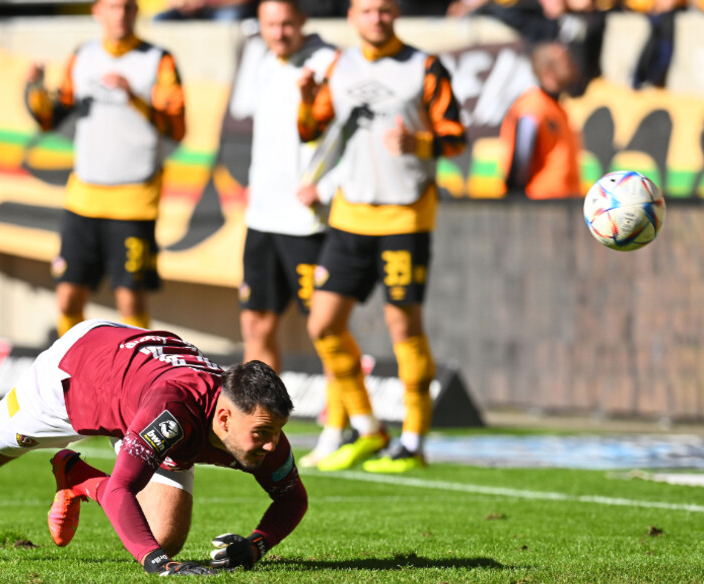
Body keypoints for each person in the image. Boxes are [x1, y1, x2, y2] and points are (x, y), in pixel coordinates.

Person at [0, 320, 306, 575]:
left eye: (273, 433)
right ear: (224, 417)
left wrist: (256, 546)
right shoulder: (173, 413)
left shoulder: (253, 426)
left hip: (141, 391)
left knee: (164, 535)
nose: (269, 445)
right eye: (261, 434)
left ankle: (74, 477)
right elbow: (121, 489)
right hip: (79, 371)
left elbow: (292, 497)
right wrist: (156, 566)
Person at [296, 0, 467, 473]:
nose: (377, 18)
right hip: (350, 214)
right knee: (323, 325)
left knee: (403, 328)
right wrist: (308, 99)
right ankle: (370, 429)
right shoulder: (338, 65)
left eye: (386, 10)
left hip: (405, 217)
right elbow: (312, 130)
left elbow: (456, 136)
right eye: (368, 10)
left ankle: (414, 441)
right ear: (352, 17)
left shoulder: (424, 67)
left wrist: (420, 143)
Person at [25, 0, 186, 338]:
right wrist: (34, 91)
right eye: (112, 7)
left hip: (134, 200)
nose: (120, 15)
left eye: (127, 7)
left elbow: (177, 128)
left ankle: (138, 380)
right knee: (68, 297)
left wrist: (134, 97)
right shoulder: (83, 56)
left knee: (130, 300)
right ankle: (68, 378)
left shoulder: (158, 60)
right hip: (83, 197)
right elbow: (51, 118)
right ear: (97, 11)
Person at [231, 0, 346, 468]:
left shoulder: (330, 63)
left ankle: (338, 426)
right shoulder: (258, 58)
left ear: (303, 22)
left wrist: (328, 185)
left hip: (307, 219)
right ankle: (258, 425)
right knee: (256, 324)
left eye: (286, 24)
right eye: (270, 25)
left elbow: (352, 134)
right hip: (263, 217)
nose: (278, 33)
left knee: (324, 328)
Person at [500, 42, 581, 199]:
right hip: (540, 206)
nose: (571, 65)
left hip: (562, 205)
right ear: (548, 72)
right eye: (564, 61)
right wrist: (516, 203)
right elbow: (521, 159)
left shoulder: (557, 107)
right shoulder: (533, 105)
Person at [153, 0, 256, 20]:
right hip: (190, 12)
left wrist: (203, 3)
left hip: (222, 10)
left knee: (228, 18)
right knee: (159, 19)